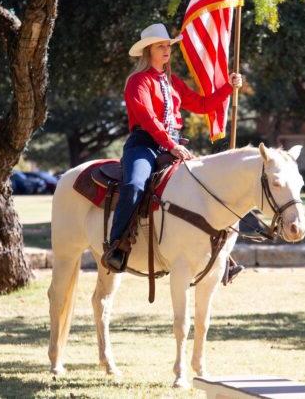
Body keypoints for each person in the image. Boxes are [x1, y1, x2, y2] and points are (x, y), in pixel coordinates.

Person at [101, 23, 244, 274]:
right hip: (144, 145)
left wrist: (227, 88)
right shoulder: (137, 82)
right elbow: (147, 119)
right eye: (161, 46)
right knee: (135, 185)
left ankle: (222, 256)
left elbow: (201, 104)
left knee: (205, 187)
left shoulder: (172, 82)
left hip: (173, 144)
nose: (167, 49)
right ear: (148, 51)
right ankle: (117, 246)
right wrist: (171, 145)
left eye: (168, 45)